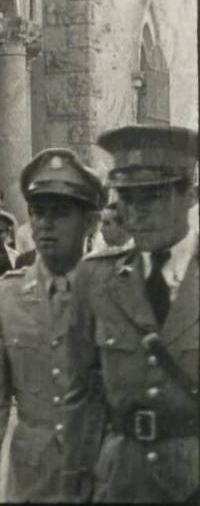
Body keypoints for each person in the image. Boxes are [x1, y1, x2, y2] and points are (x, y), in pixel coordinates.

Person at [63, 125, 198, 502]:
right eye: (127, 197)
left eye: (152, 196)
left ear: (190, 196)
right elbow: (81, 393)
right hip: (122, 481)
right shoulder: (96, 278)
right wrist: (75, 480)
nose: (136, 213)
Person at [0, 148, 107, 502]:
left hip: (103, 479)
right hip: (32, 482)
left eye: (60, 213)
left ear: (90, 222)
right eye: (38, 212)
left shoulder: (114, 295)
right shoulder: (4, 299)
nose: (45, 224)